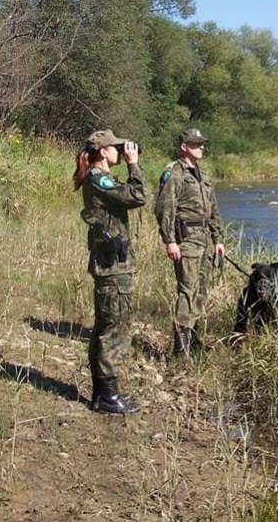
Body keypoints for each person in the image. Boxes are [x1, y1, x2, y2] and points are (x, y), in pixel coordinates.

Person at [73, 129, 147, 414]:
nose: (120, 150)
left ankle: (104, 393)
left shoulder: (98, 178)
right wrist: (133, 164)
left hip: (111, 264)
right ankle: (107, 396)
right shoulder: (99, 177)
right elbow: (138, 195)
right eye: (116, 147)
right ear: (103, 151)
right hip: (113, 267)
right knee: (116, 330)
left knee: (106, 328)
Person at [154, 128, 225, 356]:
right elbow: (165, 208)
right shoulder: (175, 173)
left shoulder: (203, 175)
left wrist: (218, 239)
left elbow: (213, 210)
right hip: (186, 240)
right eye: (196, 144)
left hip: (204, 241)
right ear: (184, 147)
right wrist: (169, 240)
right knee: (187, 290)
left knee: (201, 290)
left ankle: (193, 338)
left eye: (202, 144)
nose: (201, 147)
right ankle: (180, 347)